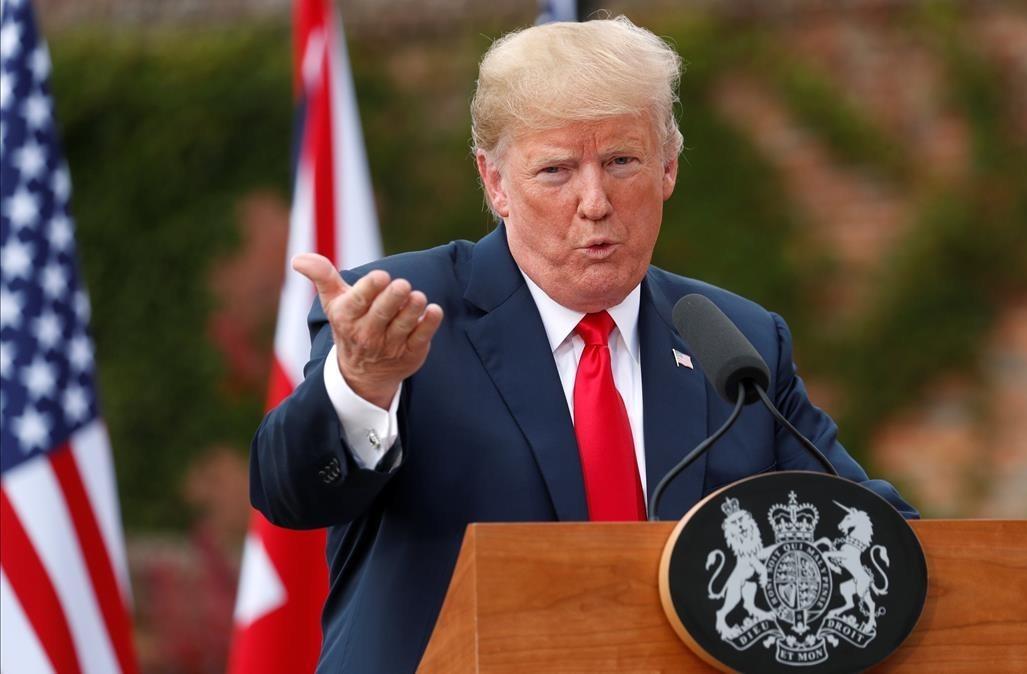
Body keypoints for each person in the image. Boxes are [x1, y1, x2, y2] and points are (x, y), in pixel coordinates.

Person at [250, 16, 916, 673]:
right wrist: (363, 386)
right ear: (496, 183)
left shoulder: (735, 341)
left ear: (668, 169)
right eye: (556, 171)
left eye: (622, 161)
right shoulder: (402, 313)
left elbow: (874, 527)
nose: (595, 202)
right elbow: (292, 497)